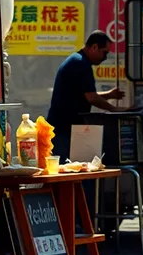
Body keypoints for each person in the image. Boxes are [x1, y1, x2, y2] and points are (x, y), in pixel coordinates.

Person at [47, 30, 125, 162]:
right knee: (61, 171)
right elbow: (92, 98)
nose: (105, 57)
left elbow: (85, 94)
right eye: (104, 52)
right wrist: (115, 109)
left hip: (65, 127)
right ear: (94, 47)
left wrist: (109, 95)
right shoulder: (80, 64)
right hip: (63, 128)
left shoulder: (78, 60)